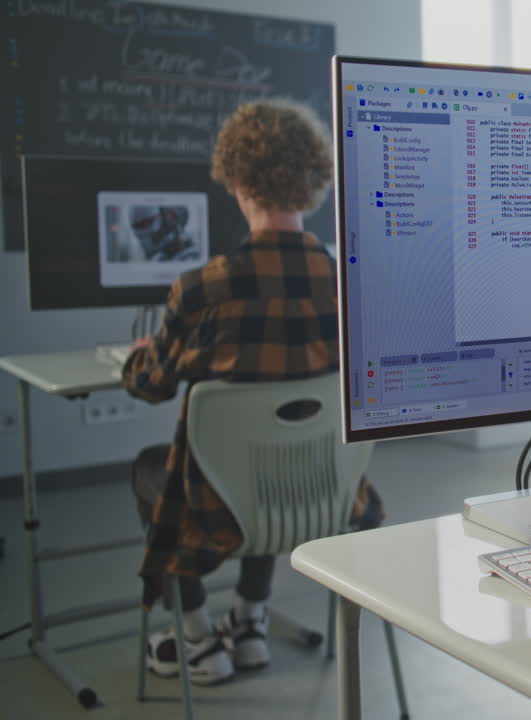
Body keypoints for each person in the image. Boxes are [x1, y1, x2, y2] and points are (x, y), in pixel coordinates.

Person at [124, 100, 383, 685]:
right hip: (326, 498)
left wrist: (141, 360)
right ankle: (251, 623)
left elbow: (151, 387)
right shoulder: (349, 281)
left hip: (217, 510)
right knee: (270, 453)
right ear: (312, 181)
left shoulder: (202, 288)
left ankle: (197, 640)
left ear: (237, 180)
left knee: (157, 469)